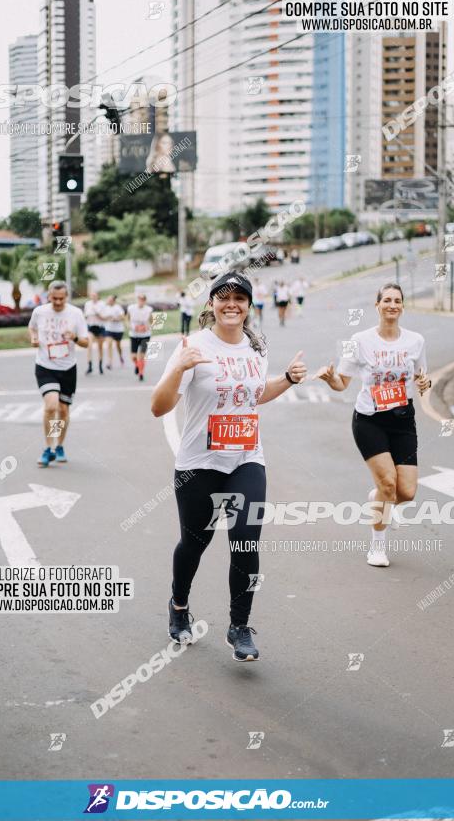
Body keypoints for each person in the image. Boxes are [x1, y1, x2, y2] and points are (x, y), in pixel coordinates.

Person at [151, 272, 307, 661]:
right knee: (195, 544)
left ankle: (239, 626)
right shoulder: (193, 347)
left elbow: (255, 395)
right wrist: (176, 369)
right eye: (224, 297)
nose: (232, 303)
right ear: (211, 304)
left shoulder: (256, 347)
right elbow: (159, 406)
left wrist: (286, 379)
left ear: (249, 306)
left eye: (240, 297)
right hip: (198, 464)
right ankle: (179, 605)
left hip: (246, 459)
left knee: (245, 541)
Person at [315, 283, 431, 568]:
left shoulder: (416, 341)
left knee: (407, 492)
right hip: (369, 420)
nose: (392, 305)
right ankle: (376, 548)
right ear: (377, 305)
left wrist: (425, 383)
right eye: (387, 300)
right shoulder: (360, 340)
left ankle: (378, 496)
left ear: (403, 306)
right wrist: (330, 379)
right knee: (389, 485)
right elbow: (342, 384)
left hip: (403, 419)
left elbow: (421, 377)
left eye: (398, 301)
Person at [28, 280, 89, 467]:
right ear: (48, 296)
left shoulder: (76, 314)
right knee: (51, 406)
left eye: (61, 299)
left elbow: (86, 342)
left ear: (67, 297)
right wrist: (33, 337)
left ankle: (59, 445)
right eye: (54, 298)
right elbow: (32, 327)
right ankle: (48, 448)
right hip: (45, 366)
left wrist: (75, 337)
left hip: (68, 368)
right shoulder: (39, 312)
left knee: (63, 410)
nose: (57, 302)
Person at [127, 293, 153, 382]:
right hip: (134, 334)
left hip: (145, 335)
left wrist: (146, 327)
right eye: (139, 299)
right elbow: (127, 320)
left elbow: (152, 321)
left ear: (145, 301)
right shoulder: (131, 308)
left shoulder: (149, 310)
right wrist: (132, 327)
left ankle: (141, 373)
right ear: (137, 300)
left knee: (141, 356)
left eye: (143, 300)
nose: (141, 301)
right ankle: (137, 365)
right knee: (134, 357)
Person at [84, 292, 108, 374]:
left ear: (98, 296)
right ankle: (89, 365)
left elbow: (104, 317)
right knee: (89, 345)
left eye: (95, 295)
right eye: (92, 295)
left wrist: (96, 313)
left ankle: (100, 365)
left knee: (100, 347)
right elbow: (86, 315)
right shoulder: (87, 304)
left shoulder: (102, 304)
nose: (93, 297)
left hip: (100, 327)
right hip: (91, 327)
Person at [103, 295, 126, 369]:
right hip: (109, 329)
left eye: (110, 300)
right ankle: (109, 362)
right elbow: (103, 317)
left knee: (118, 345)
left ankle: (121, 357)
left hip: (118, 330)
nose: (108, 301)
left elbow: (123, 317)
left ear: (113, 301)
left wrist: (115, 318)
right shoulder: (105, 308)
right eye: (108, 300)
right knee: (109, 344)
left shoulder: (118, 307)